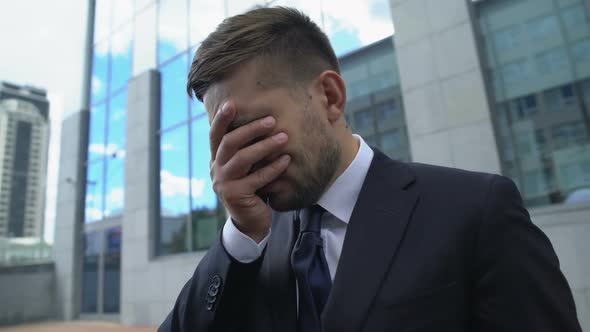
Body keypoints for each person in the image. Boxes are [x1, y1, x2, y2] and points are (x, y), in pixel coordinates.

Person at [158, 6, 582, 332]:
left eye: (252, 129)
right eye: (225, 138)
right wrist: (239, 234)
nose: (238, 157)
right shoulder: (256, 239)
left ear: (329, 97)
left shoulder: (475, 212)